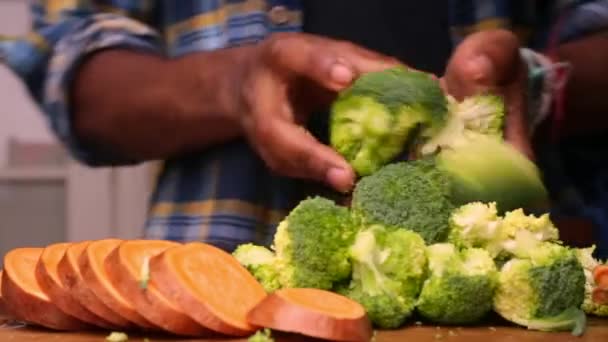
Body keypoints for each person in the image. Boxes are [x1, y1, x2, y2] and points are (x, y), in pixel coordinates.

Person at [1, 1, 607, 256]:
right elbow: (74, 71)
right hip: (221, 263)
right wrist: (234, 85)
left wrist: (534, 84)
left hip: (520, 256)